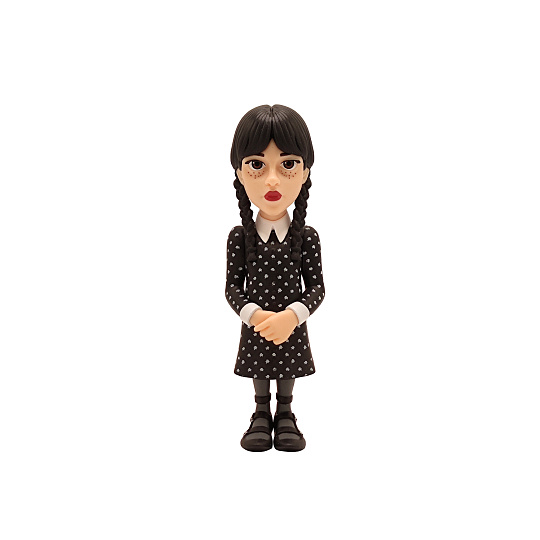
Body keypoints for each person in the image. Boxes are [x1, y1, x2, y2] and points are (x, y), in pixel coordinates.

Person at [226, 104, 325, 452]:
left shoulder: (306, 237)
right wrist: (254, 315)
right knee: (259, 366)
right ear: (240, 173)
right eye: (257, 165)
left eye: (288, 165)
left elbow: (317, 287)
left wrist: (292, 317)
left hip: (290, 324)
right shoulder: (240, 237)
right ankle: (260, 412)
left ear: (304, 172)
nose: (272, 180)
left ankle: (285, 413)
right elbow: (232, 287)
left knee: (287, 367)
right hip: (257, 324)